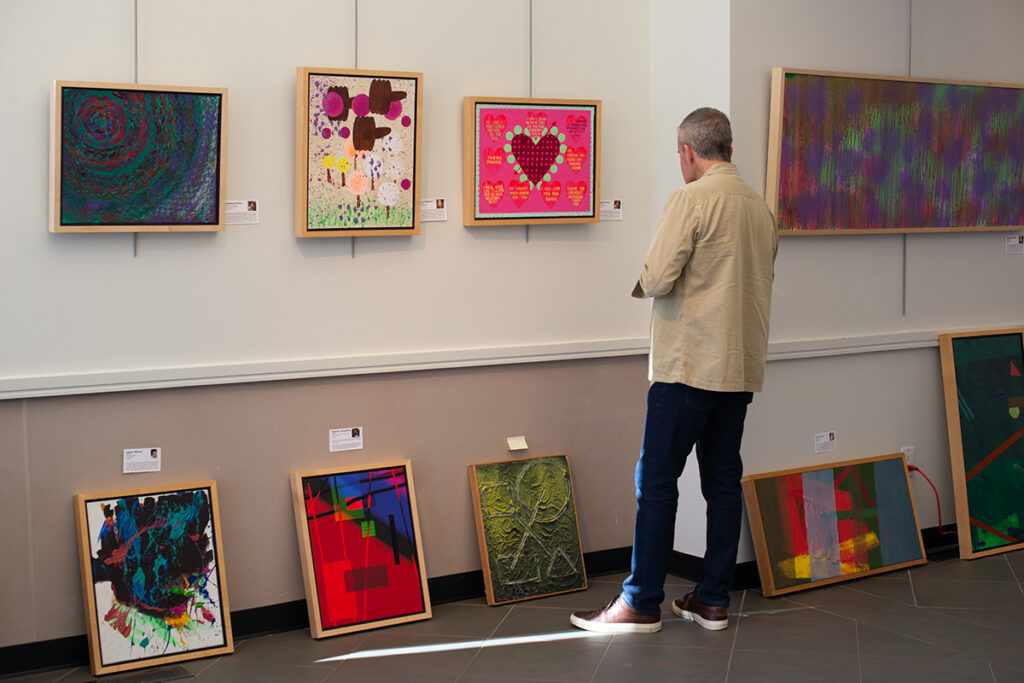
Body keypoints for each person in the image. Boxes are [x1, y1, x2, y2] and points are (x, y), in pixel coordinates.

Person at [570, 108, 778, 634]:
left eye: (678, 155)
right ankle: (712, 600)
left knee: (657, 481)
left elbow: (660, 275)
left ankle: (640, 601)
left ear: (689, 152)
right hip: (740, 366)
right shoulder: (760, 206)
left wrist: (642, 279)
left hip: (687, 365)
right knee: (723, 481)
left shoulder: (691, 198)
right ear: (726, 148)